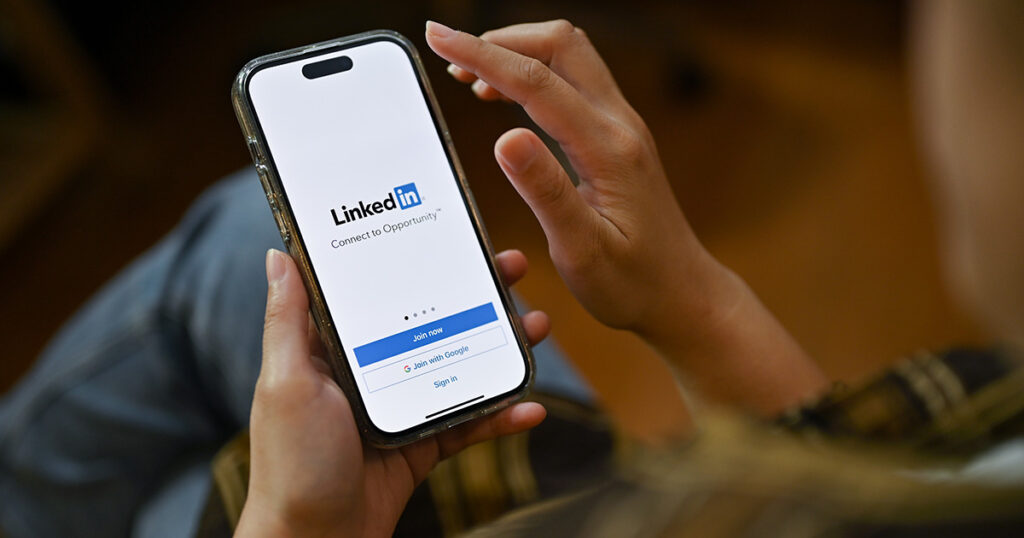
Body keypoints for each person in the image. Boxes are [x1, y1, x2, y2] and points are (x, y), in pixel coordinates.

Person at [4, 1, 1024, 536]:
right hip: (531, 472)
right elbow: (857, 473)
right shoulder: (987, 433)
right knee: (249, 243)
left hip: (479, 504)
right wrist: (687, 299)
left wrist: (294, 526)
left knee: (233, 281)